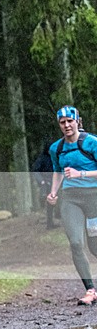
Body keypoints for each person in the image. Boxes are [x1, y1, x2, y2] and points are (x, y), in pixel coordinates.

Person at [47, 105, 97, 305]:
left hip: (94, 198)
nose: (67, 125)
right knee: (76, 243)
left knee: (95, 247)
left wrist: (80, 174)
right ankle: (90, 290)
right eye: (62, 122)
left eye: (70, 121)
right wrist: (53, 192)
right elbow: (58, 171)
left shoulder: (91, 142)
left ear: (78, 121)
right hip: (70, 199)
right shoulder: (56, 148)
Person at [31, 141, 59, 229]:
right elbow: (36, 171)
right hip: (47, 183)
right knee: (49, 204)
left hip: (57, 182)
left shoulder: (56, 157)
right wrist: (42, 181)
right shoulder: (42, 158)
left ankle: (56, 220)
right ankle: (49, 223)